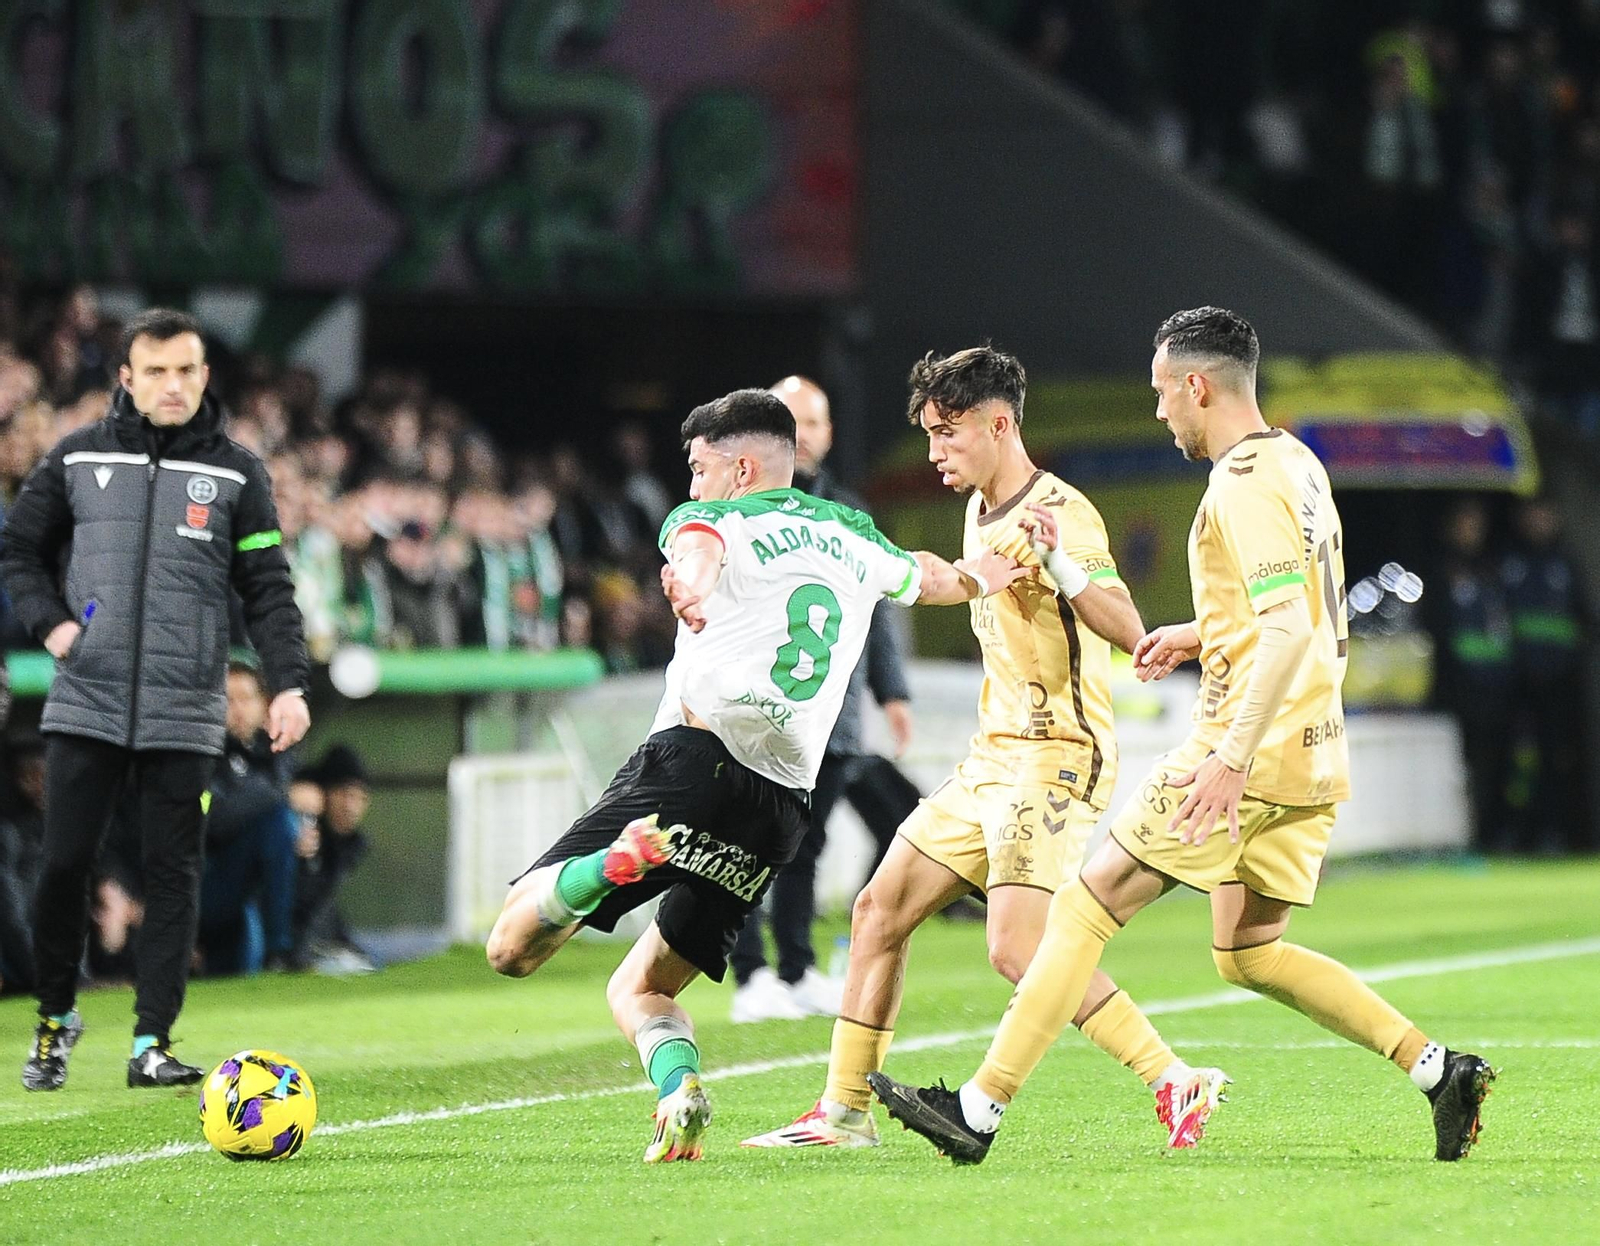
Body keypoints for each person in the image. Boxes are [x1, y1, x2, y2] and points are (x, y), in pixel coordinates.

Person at [867, 307, 1493, 1166]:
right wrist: (1199, 633)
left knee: (1079, 913)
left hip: (1249, 750)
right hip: (1314, 752)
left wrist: (1230, 759)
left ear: (1197, 385)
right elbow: (1298, 607)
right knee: (1249, 953)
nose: (1160, 411)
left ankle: (979, 1109)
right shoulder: (1298, 463)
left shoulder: (1239, 479)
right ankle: (1436, 1069)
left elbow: (1285, 631)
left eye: (1163, 393)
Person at [483, 387, 1024, 1163]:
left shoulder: (711, 519)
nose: (693, 484)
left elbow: (698, 546)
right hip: (777, 809)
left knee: (512, 947)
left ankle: (611, 865)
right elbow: (928, 578)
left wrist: (691, 582)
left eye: (701, 469)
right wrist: (985, 574)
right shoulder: (851, 533)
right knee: (644, 990)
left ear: (741, 468)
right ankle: (678, 1091)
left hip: (693, 765)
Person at [745, 346, 1216, 1153]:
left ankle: (1174, 1079)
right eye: (929, 434)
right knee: (877, 910)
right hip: (991, 759)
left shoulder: (1060, 509)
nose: (934, 453)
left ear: (1000, 425)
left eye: (947, 434)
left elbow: (1128, 628)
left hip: (1059, 755)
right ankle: (844, 1111)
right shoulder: (978, 507)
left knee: (1014, 948)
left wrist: (1060, 563)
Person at [0, 308, 311, 1091]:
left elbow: (269, 591)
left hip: (186, 707)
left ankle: (151, 1041)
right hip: (87, 702)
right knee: (63, 865)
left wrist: (289, 684)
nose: (172, 385)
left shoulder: (239, 473)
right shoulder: (75, 458)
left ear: (204, 377)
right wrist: (54, 627)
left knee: (176, 872)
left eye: (186, 370)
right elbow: (17, 552)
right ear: (127, 378)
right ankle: (54, 1020)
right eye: (157, 371)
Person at [728, 376, 923, 1023]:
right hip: (762, 712)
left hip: (834, 719)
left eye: (813, 423)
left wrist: (891, 693)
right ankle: (750, 974)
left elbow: (876, 613)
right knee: (749, 846)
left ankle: (795, 968)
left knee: (802, 849)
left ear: (829, 433)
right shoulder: (746, 509)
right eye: (791, 422)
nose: (803, 435)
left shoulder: (846, 511)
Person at [197, 662, 302, 975]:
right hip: (204, 884)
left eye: (246, 698)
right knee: (279, 820)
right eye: (228, 700)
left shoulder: (275, 752)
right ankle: (279, 949)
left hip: (249, 889)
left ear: (264, 704)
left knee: (284, 827)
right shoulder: (201, 756)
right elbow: (211, 817)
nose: (238, 709)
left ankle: (291, 949)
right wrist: (280, 796)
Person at [292, 743, 376, 974]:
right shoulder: (301, 837)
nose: (351, 807)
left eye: (359, 798)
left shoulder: (347, 847)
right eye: (344, 794)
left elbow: (324, 907)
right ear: (323, 794)